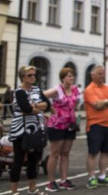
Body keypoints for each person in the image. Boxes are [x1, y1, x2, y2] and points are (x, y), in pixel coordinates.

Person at [9, 66, 49, 195]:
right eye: (29, 75)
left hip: (36, 129)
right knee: (18, 160)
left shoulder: (37, 89)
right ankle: (14, 191)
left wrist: (34, 106)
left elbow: (47, 105)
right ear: (22, 77)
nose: (33, 77)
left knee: (34, 160)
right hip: (21, 130)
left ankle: (32, 188)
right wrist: (37, 107)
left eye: (34, 75)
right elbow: (25, 108)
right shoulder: (19, 91)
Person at [43, 67, 81, 192]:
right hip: (56, 125)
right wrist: (47, 109)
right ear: (63, 78)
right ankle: (51, 181)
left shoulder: (75, 89)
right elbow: (41, 96)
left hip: (70, 125)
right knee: (55, 154)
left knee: (65, 153)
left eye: (72, 76)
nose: (72, 78)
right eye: (69, 76)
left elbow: (75, 103)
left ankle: (64, 180)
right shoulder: (57, 90)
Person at [83, 65, 108, 189]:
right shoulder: (89, 89)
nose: (102, 76)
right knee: (93, 152)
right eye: (99, 74)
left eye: (103, 73)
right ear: (93, 75)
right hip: (95, 124)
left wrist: (104, 102)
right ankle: (92, 177)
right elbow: (96, 105)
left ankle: (102, 176)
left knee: (106, 152)